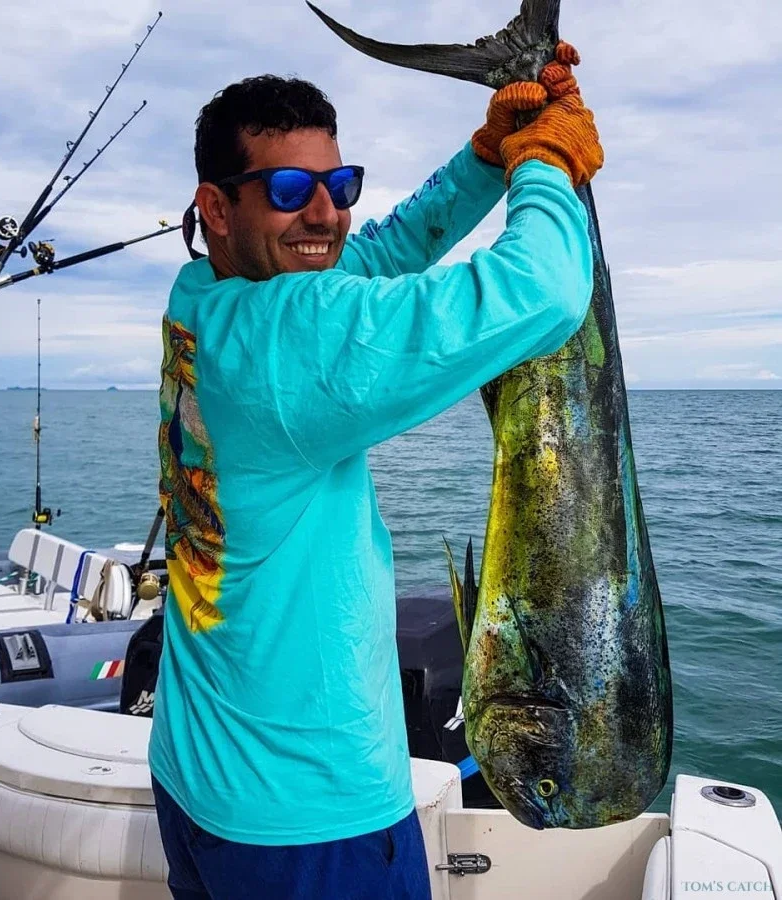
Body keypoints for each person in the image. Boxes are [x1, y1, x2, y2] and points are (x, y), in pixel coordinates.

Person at [149, 42, 603, 899]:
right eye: (291, 190)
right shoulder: (290, 341)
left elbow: (378, 251)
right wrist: (547, 162)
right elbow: (544, 291)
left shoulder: (202, 297)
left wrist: (483, 158)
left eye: (340, 183)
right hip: (308, 818)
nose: (325, 213)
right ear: (216, 206)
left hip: (196, 770)